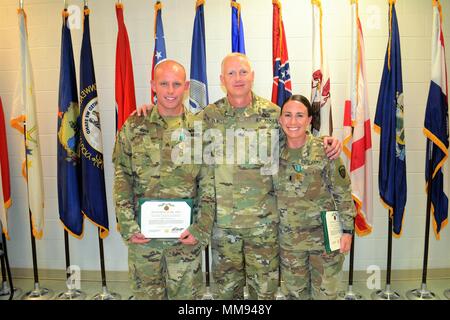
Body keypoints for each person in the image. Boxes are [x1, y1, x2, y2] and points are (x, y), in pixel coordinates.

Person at [136, 53, 342, 300]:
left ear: (252, 76)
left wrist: (327, 142)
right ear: (222, 79)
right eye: (231, 73)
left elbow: (297, 134)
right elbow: (173, 123)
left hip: (263, 226)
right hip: (223, 228)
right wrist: (149, 110)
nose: (238, 78)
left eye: (243, 72)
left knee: (263, 293)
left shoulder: (273, 114)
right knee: (226, 294)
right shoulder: (207, 116)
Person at [113, 59, 215, 300]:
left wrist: (200, 229)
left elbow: (208, 185)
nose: (170, 91)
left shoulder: (200, 129)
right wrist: (128, 228)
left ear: (186, 86)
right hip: (144, 240)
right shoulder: (134, 125)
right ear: (153, 85)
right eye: (164, 83)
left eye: (177, 84)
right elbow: (122, 180)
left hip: (185, 241)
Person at [274, 94, 355, 300]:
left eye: (300, 115)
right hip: (290, 241)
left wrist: (347, 231)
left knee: (326, 295)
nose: (293, 122)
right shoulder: (272, 153)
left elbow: (343, 192)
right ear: (280, 119)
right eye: (288, 115)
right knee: (295, 295)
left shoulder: (325, 149)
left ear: (310, 120)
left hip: (324, 241)